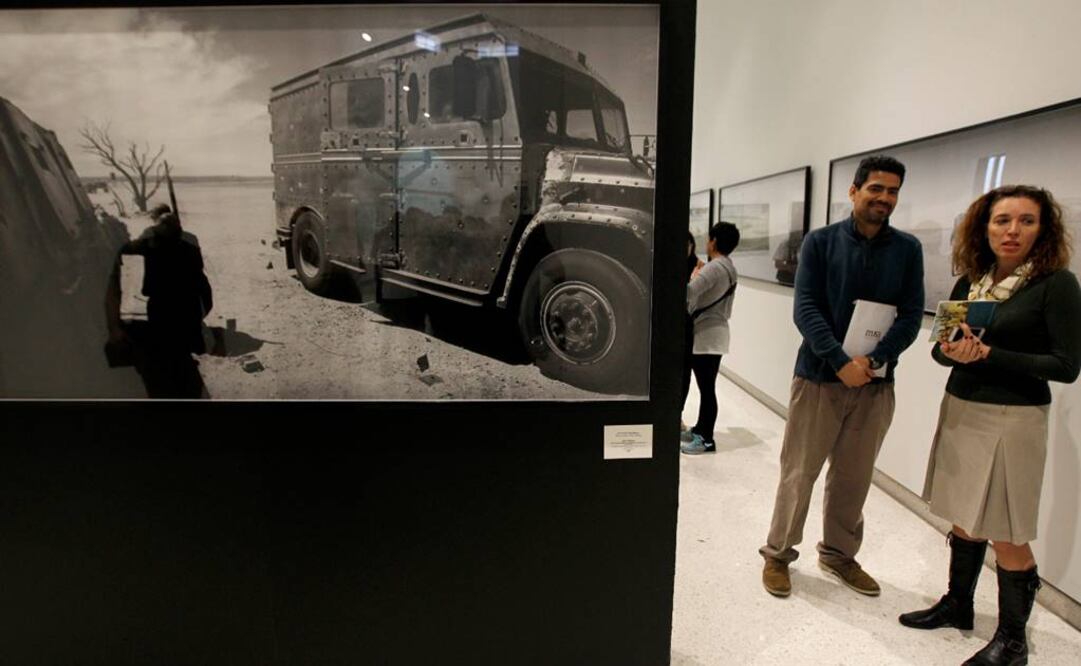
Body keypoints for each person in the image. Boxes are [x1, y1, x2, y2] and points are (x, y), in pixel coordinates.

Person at [898, 185, 1080, 666]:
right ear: (984, 227)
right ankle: (958, 605)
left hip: (1014, 419)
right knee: (963, 515)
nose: (1012, 230)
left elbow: (1066, 365)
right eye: (1002, 220)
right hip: (963, 407)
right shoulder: (970, 282)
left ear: (1044, 229)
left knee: (1007, 529)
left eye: (1026, 221)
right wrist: (955, 352)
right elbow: (940, 349)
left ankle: (1013, 641)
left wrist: (990, 354)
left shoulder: (1055, 284)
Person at [759, 155, 924, 597]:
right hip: (818, 378)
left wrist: (873, 361)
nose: (884, 198)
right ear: (854, 192)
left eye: (892, 192)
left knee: (854, 476)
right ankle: (778, 554)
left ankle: (838, 555)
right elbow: (806, 309)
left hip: (875, 384)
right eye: (876, 189)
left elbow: (910, 316)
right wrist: (838, 361)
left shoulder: (908, 250)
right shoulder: (820, 243)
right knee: (799, 472)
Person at [106, 210, 213, 398]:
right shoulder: (186, 253)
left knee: (160, 386)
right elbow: (204, 297)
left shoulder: (133, 251)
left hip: (148, 339)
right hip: (173, 338)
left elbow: (121, 297)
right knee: (184, 387)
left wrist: (118, 330)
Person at [680, 222, 740, 454]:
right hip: (715, 333)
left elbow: (688, 292)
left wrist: (691, 278)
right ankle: (700, 429)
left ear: (713, 241)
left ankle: (706, 439)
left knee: (706, 389)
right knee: (707, 387)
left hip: (707, 334)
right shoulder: (729, 266)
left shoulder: (714, 268)